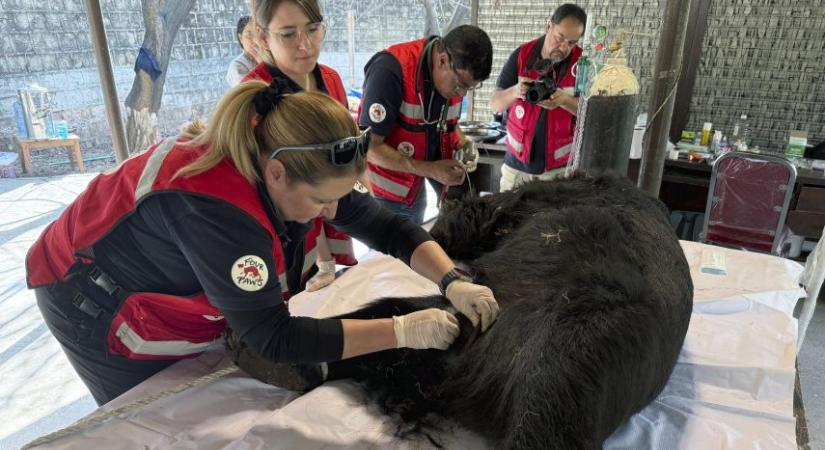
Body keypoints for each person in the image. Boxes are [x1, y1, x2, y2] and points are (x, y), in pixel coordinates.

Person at [27, 79, 500, 406]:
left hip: (167, 268)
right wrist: (400, 330)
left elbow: (388, 226)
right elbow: (276, 336)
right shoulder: (217, 212)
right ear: (277, 174)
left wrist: (451, 279)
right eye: (320, 202)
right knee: (151, 415)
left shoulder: (295, 162)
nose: (328, 213)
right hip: (88, 295)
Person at [242, 0, 356, 291]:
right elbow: (274, 191)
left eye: (314, 29)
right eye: (288, 34)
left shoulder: (329, 79)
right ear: (262, 35)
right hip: (285, 232)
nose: (305, 45)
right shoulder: (254, 98)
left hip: (327, 209)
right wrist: (324, 257)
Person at [358, 25, 492, 224]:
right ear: (443, 60)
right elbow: (369, 147)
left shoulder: (450, 82)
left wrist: (464, 143)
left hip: (415, 188)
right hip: (385, 193)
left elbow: (449, 126)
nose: (463, 94)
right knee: (391, 252)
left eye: (471, 88)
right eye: (461, 85)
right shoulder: (389, 70)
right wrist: (430, 169)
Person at [489, 4, 586, 192]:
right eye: (560, 38)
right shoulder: (522, 56)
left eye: (572, 42)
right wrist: (516, 91)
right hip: (515, 169)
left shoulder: (582, 64)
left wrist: (564, 101)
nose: (564, 47)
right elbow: (495, 104)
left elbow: (591, 114)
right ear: (548, 26)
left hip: (559, 173)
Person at [225, 16, 260, 87]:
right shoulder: (237, 65)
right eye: (249, 35)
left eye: (258, 33)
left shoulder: (271, 57)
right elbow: (251, 94)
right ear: (241, 38)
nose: (256, 40)